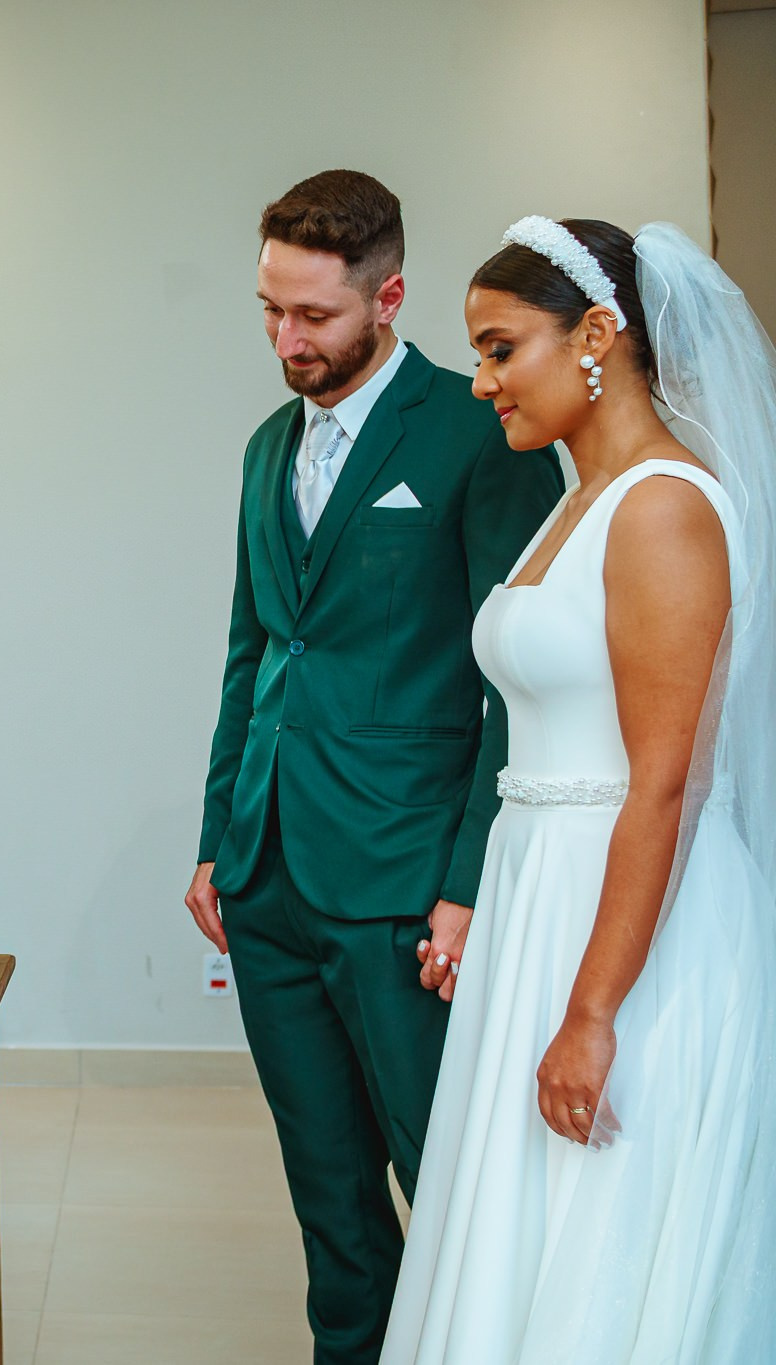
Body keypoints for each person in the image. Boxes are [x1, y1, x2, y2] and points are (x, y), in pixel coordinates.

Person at [381, 218, 776, 1362]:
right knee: (516, 1219)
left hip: (629, 918)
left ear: (596, 334)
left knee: (599, 1234)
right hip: (540, 890)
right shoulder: (571, 500)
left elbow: (665, 783)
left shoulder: (660, 508)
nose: (479, 380)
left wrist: (594, 1012)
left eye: (501, 348)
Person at [184, 170, 562, 1364]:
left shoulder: (475, 431)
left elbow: (513, 683)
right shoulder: (260, 447)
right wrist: (216, 836)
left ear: (387, 297)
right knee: (329, 1203)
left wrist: (466, 882)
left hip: (404, 885)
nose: (284, 340)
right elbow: (252, 652)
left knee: (441, 1172)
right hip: (266, 876)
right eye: (267, 310)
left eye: (313, 317)